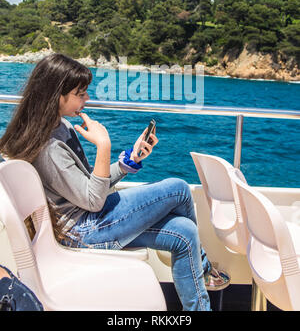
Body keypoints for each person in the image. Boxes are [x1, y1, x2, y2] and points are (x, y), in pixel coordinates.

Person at [0, 53, 229, 311]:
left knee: (184, 232)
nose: (86, 99)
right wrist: (103, 145)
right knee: (178, 188)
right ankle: (205, 269)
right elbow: (94, 201)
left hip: (88, 219)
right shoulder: (49, 147)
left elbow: (88, 183)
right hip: (83, 231)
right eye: (80, 93)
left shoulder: (60, 126)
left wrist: (127, 162)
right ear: (57, 95)